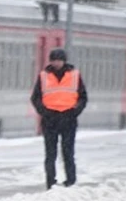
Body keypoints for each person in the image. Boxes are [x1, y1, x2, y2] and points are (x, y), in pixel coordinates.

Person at [30, 48, 88, 189]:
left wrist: (74, 111)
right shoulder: (44, 76)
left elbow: (83, 97)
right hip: (50, 118)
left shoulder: (74, 75)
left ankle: (71, 180)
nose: (56, 63)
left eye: (59, 60)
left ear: (64, 61)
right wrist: (44, 112)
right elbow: (35, 97)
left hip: (68, 117)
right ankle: (51, 182)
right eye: (54, 60)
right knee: (51, 153)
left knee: (68, 151)